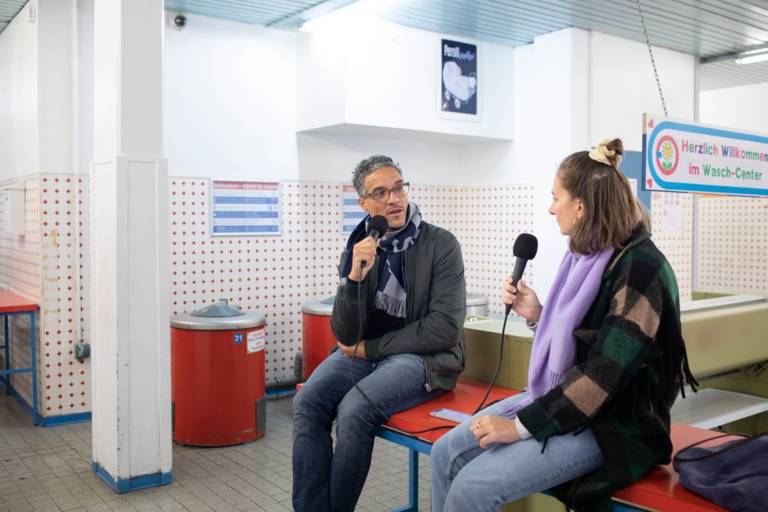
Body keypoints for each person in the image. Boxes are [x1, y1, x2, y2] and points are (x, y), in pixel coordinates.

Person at [430, 139, 697, 512]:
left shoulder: (640, 270)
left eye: (556, 197)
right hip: (571, 405)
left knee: (473, 487)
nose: (551, 207)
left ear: (582, 206)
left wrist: (522, 426)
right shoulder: (590, 256)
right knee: (444, 453)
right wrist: (538, 314)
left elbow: (604, 373)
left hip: (615, 425)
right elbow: (586, 343)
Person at [292, 154, 466, 512]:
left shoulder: (441, 244)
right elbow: (344, 332)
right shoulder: (360, 245)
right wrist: (354, 278)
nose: (394, 199)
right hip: (365, 354)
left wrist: (372, 349)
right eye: (381, 192)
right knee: (307, 402)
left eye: (399, 188)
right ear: (364, 203)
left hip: (423, 358)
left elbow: (445, 328)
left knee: (355, 408)